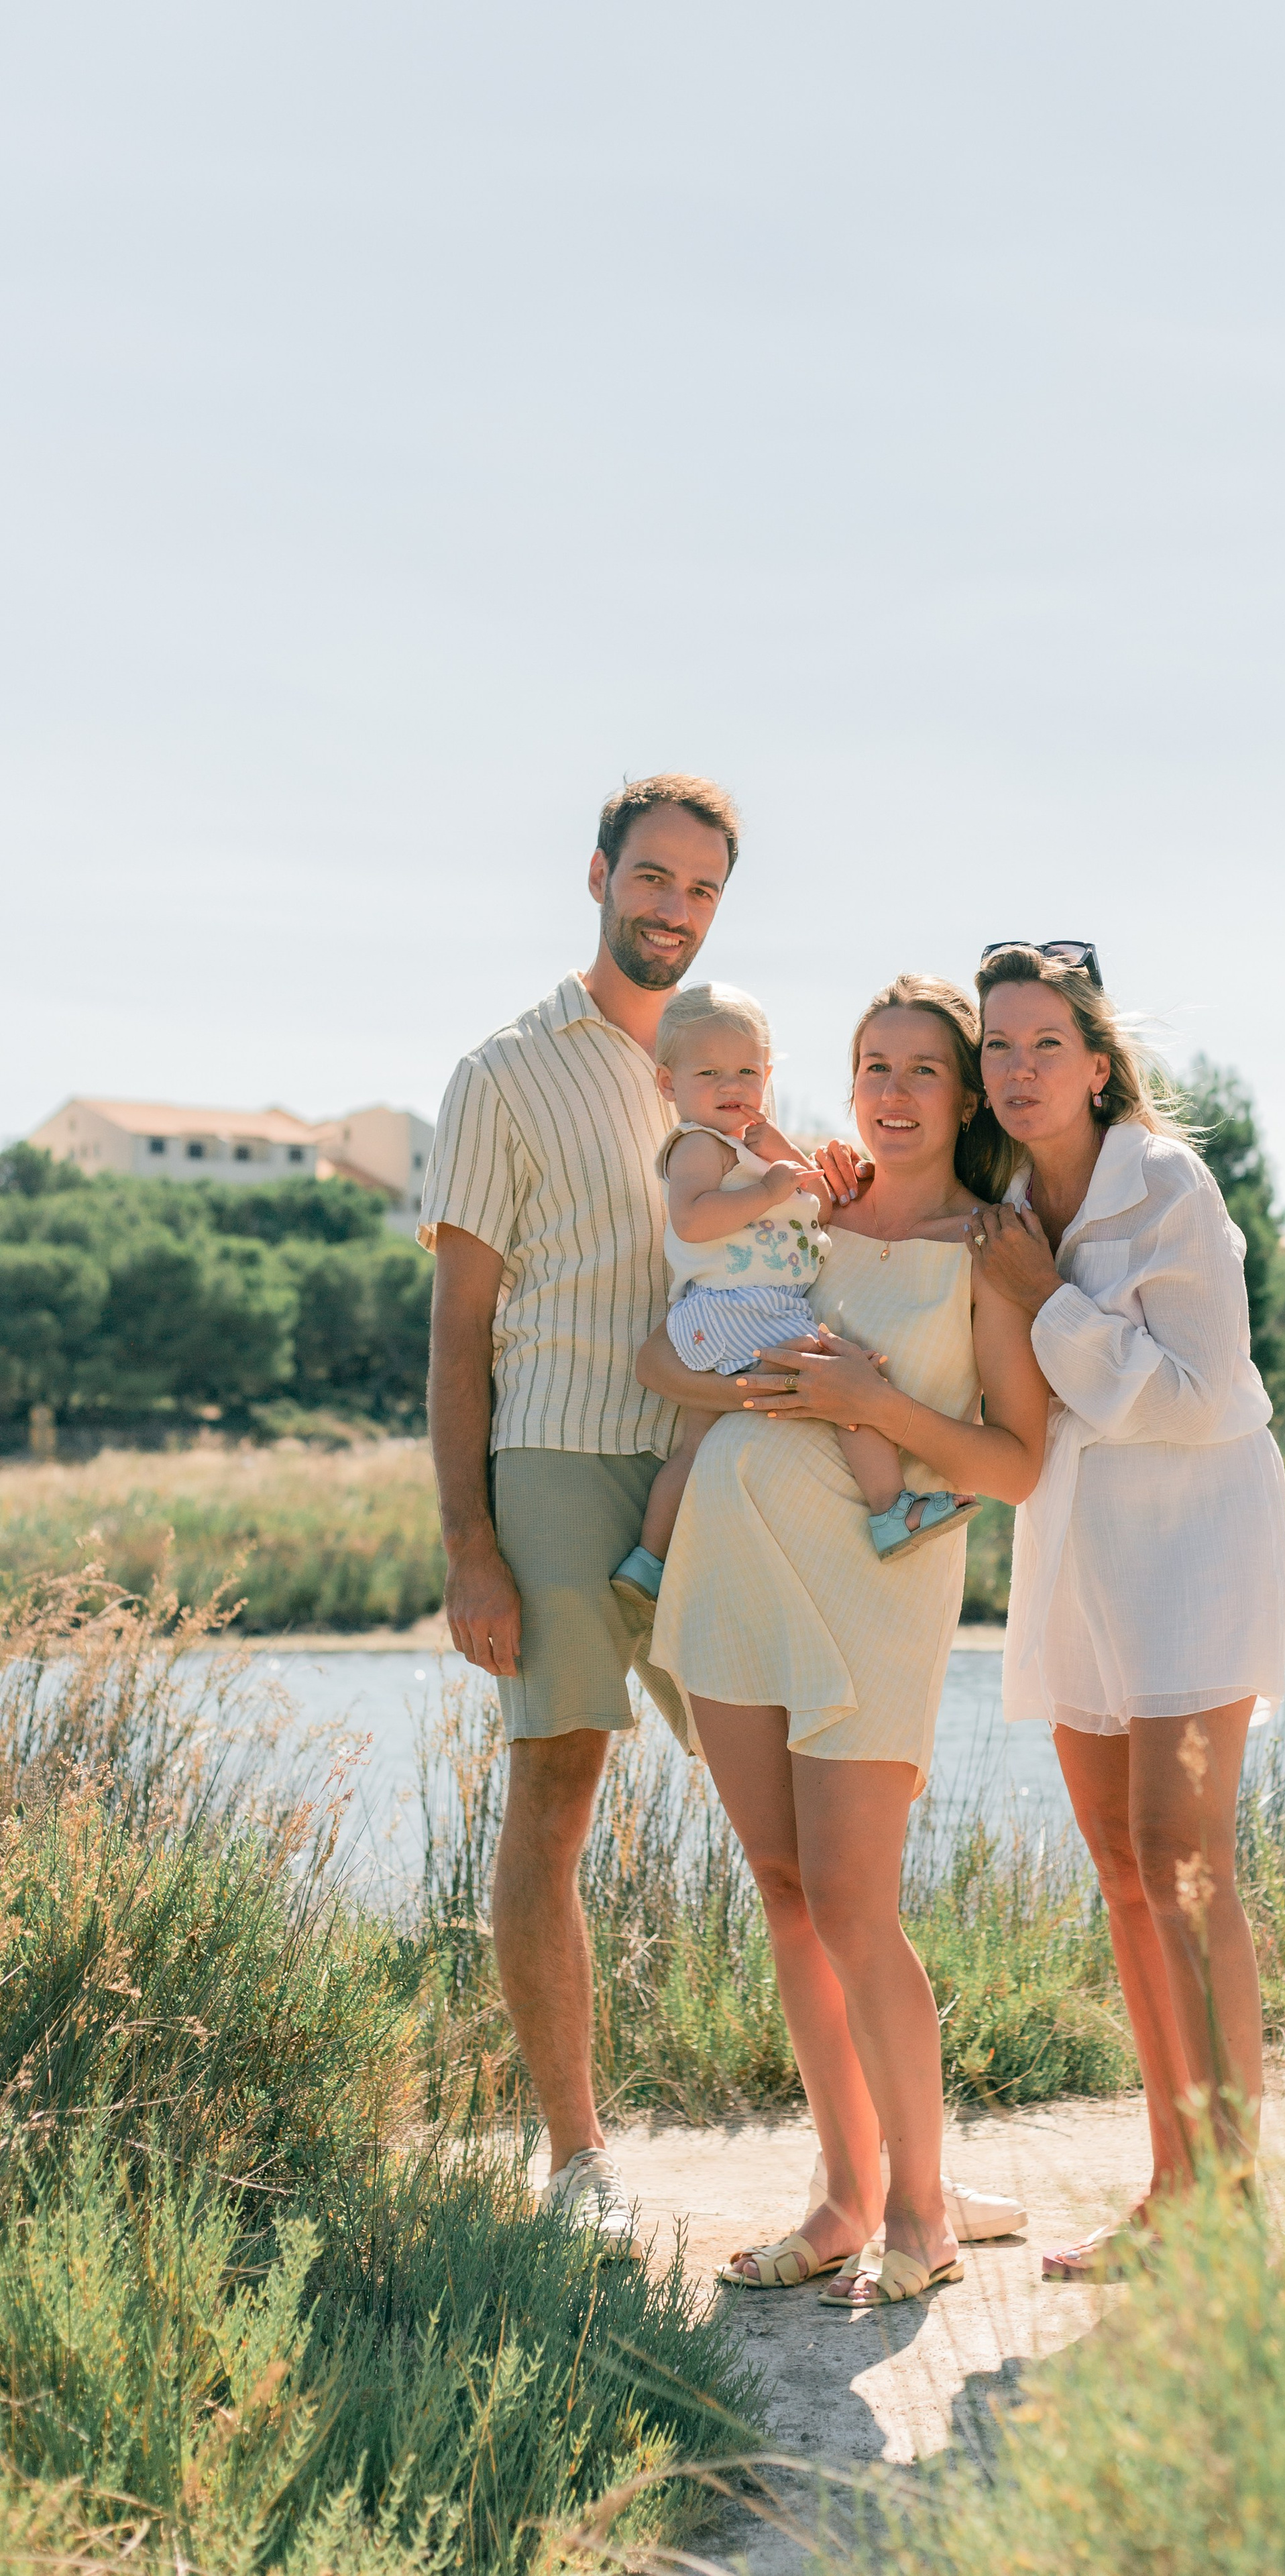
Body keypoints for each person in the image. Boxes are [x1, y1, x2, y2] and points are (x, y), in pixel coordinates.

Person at [417, 773, 867, 2255]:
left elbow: (796, 1238)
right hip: (551, 1469)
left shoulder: (726, 1069)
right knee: (554, 1798)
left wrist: (839, 1183)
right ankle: (575, 2161)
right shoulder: (501, 1074)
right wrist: (468, 1544)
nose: (672, 909)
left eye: (701, 891)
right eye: (653, 878)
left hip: (707, 1469)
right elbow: (459, 1329)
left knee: (793, 1820)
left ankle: (868, 2163)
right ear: (598, 873)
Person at [637, 977, 1048, 2308]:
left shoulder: (993, 1243)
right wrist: (756, 1383)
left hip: (876, 1588)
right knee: (782, 1885)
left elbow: (1016, 1465)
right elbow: (668, 1354)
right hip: (731, 1575)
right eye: (871, 1064)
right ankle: (840, 2195)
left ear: (963, 1092)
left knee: (857, 1908)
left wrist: (869, 1399)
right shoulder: (809, 1199)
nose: (888, 1089)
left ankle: (920, 2218)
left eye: (921, 1069)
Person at [964, 941, 1285, 2282]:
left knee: (1181, 1857)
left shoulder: (1159, 1179)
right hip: (1077, 1548)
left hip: (1191, 1542)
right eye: (995, 1047)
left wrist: (1049, 1305)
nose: (1016, 1068)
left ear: (1098, 1065)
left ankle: (1228, 2194)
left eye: (1044, 1044)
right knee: (1114, 1861)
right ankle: (1172, 2191)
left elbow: (1200, 1390)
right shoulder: (1000, 1200)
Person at [610, 981, 978, 1614]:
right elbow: (692, 1220)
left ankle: (649, 1559)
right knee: (844, 1380)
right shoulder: (698, 1144)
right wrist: (768, 1187)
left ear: (768, 1076)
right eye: (710, 1074)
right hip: (739, 1307)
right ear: (669, 1085)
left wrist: (799, 1163)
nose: (732, 1087)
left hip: (731, 1314)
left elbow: (817, 1195)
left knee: (695, 1446)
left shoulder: (749, 1142)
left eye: (747, 1072)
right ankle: (891, 1510)